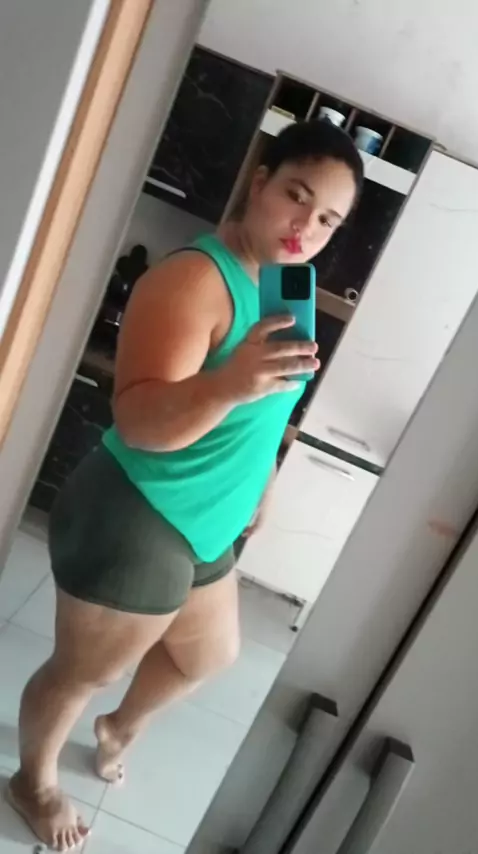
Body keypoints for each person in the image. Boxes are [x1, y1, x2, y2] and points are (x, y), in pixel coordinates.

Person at [8, 120, 363, 850]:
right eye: (297, 196)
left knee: (207, 656)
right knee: (86, 672)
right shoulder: (193, 281)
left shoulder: (289, 282)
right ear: (259, 183)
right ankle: (32, 784)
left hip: (211, 520)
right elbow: (139, 421)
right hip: (139, 509)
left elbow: (274, 402)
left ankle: (118, 729)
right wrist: (229, 383)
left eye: (328, 218)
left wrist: (263, 480)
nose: (307, 227)